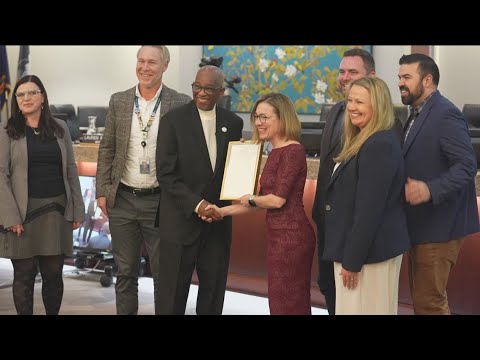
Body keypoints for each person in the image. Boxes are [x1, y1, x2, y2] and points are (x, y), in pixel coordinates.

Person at [96, 46, 191, 315]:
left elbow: (186, 154)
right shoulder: (120, 100)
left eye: (152, 62)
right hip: (123, 199)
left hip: (162, 202)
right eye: (141, 61)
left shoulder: (181, 102)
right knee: (125, 272)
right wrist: (102, 190)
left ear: (165, 66)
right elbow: (108, 148)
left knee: (164, 274)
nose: (145, 67)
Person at [204, 92, 316, 315]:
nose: (258, 122)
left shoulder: (293, 151)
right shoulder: (274, 151)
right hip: (278, 237)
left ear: (282, 118)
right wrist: (220, 211)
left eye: (264, 117)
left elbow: (276, 200)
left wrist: (252, 198)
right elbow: (255, 202)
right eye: (256, 117)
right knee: (279, 301)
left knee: (290, 302)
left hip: (292, 238)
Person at [155, 65, 243, 315]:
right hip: (180, 221)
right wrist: (198, 204)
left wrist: (219, 207)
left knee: (213, 293)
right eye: (197, 87)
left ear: (221, 91)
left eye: (209, 89)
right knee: (172, 294)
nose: (201, 93)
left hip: (217, 223)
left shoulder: (233, 123)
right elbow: (166, 174)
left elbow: (231, 171)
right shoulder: (173, 121)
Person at [398, 53, 479, 314]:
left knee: (429, 302)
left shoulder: (446, 114)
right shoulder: (416, 112)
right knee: (423, 300)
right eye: (400, 77)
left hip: (440, 227)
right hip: (421, 225)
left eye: (407, 77)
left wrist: (430, 189)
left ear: (428, 80)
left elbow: (467, 166)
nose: (400, 82)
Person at [322, 76, 410, 314]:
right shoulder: (364, 138)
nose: (351, 107)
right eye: (350, 100)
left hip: (366, 256)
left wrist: (352, 260)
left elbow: (369, 211)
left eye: (359, 102)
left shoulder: (378, 144)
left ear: (377, 105)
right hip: (362, 252)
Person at [0, 75, 84, 315]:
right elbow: (1, 175)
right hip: (22, 214)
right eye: (20, 94)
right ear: (16, 100)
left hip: (56, 211)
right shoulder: (8, 131)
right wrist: (10, 216)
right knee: (24, 275)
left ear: (43, 97)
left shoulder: (60, 128)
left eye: (32, 93)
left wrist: (77, 208)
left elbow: (70, 169)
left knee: (54, 275)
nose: (26, 98)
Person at [311, 48, 375, 314]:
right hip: (327, 224)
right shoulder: (335, 112)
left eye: (352, 72)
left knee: (353, 298)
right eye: (341, 71)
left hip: (353, 230)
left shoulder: (383, 122)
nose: (344, 77)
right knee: (328, 286)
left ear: (371, 77)